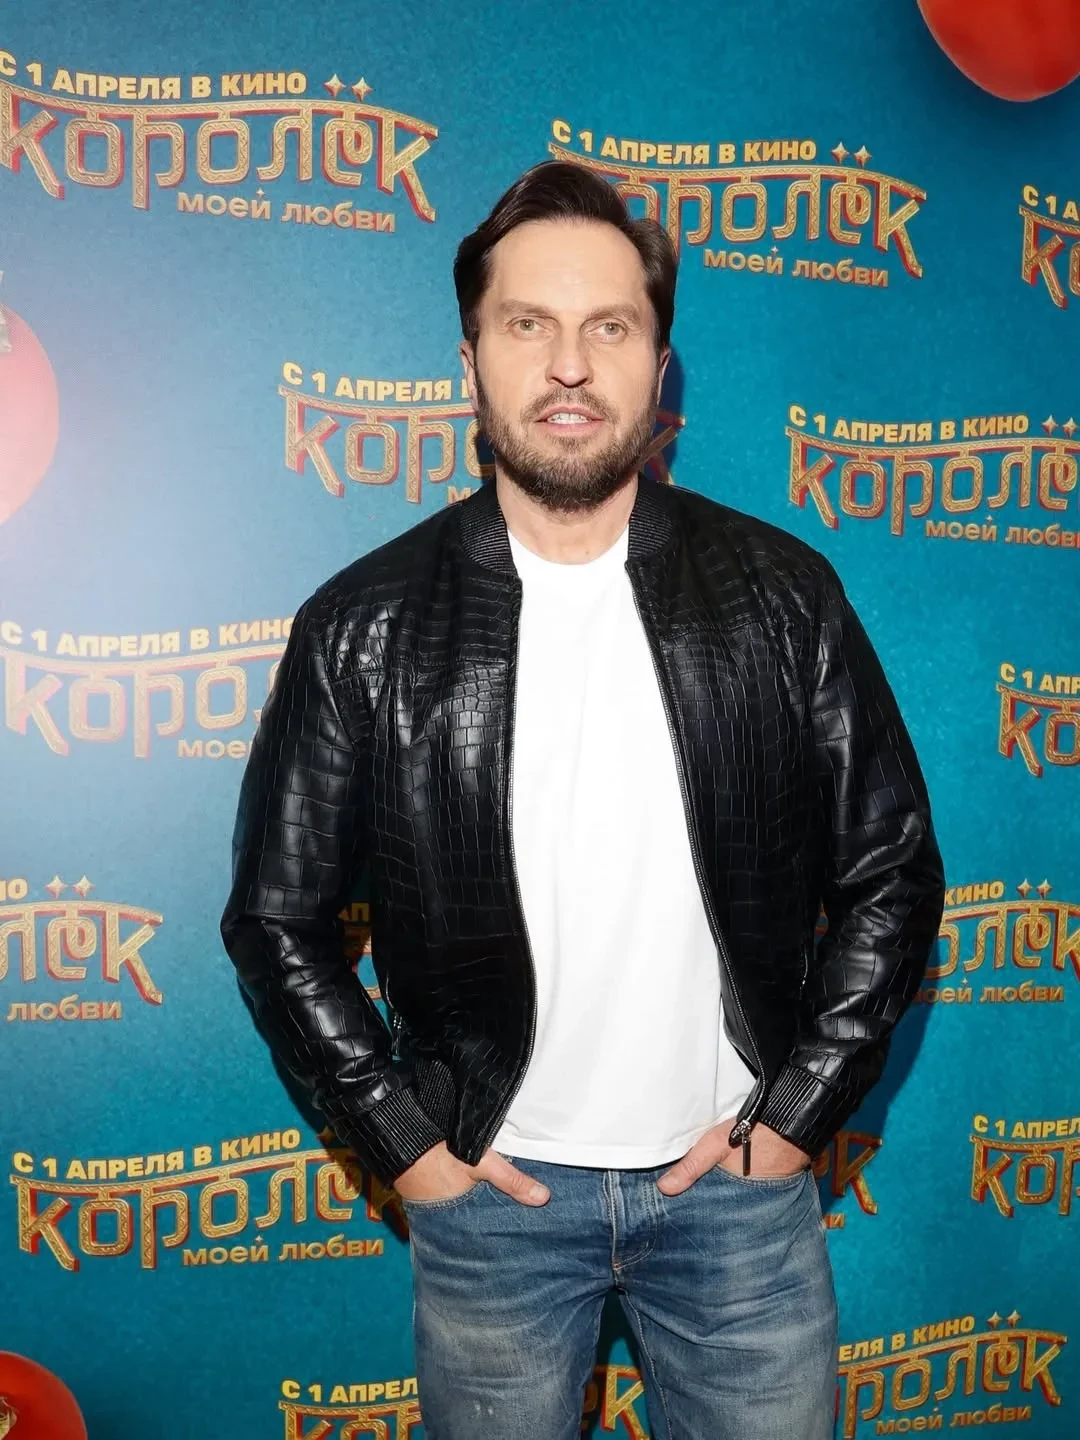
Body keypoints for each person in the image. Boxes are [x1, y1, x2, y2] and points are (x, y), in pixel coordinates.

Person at [221, 160, 946, 1440]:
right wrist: (406, 1141)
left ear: (659, 366)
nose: (569, 365)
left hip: (738, 1199)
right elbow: (277, 920)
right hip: (491, 1210)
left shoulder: (783, 596)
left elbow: (892, 871)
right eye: (529, 325)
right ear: (471, 359)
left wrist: (796, 1117)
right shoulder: (364, 626)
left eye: (609, 327)